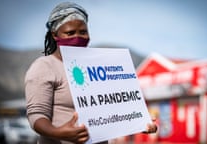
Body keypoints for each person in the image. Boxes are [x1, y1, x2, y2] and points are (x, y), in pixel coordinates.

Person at [25, 2, 157, 144]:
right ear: (55, 35)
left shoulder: (97, 66)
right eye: (70, 33)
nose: (78, 37)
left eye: (83, 32)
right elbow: (36, 115)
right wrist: (58, 133)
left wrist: (137, 122)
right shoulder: (45, 66)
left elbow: (113, 106)